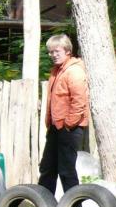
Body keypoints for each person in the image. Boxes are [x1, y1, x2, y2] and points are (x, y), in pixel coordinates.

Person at [38, 34, 89, 196]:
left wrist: (68, 124)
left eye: (56, 51)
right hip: (56, 127)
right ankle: (44, 206)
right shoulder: (57, 71)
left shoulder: (74, 71)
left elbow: (79, 102)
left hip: (69, 128)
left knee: (66, 171)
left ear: (67, 51)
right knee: (47, 168)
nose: (53, 55)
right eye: (50, 52)